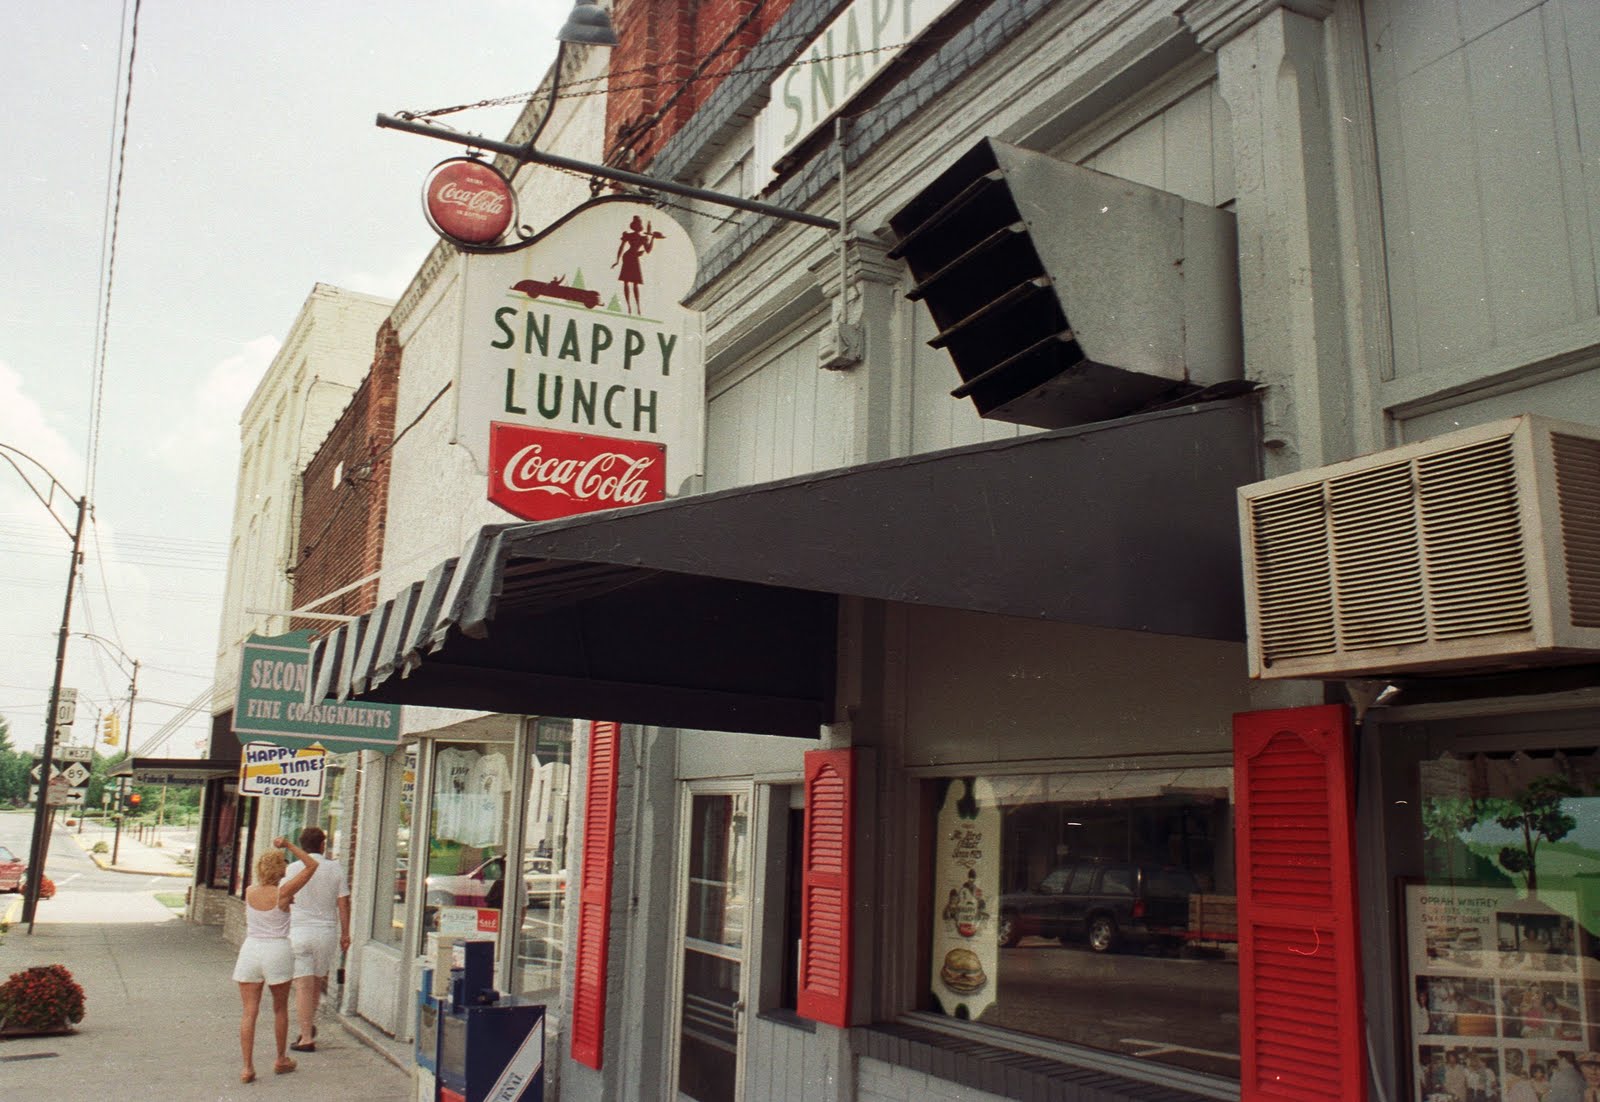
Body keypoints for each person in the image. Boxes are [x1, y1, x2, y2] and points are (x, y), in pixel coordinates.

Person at [233, 836, 318, 1084]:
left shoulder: (249, 891)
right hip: (277, 950)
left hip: (250, 950)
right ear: (280, 869)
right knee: (279, 1007)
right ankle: (281, 1059)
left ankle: (247, 1067)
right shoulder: (284, 891)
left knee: (249, 1011)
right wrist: (289, 846)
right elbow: (312, 866)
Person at [285, 825, 350, 1053]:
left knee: (302, 985)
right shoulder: (335, 868)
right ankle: (308, 1027)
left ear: (302, 845)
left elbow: (285, 899)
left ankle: (305, 1036)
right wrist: (346, 933)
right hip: (326, 932)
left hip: (298, 931)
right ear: (323, 845)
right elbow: (343, 903)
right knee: (315, 983)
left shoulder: (292, 869)